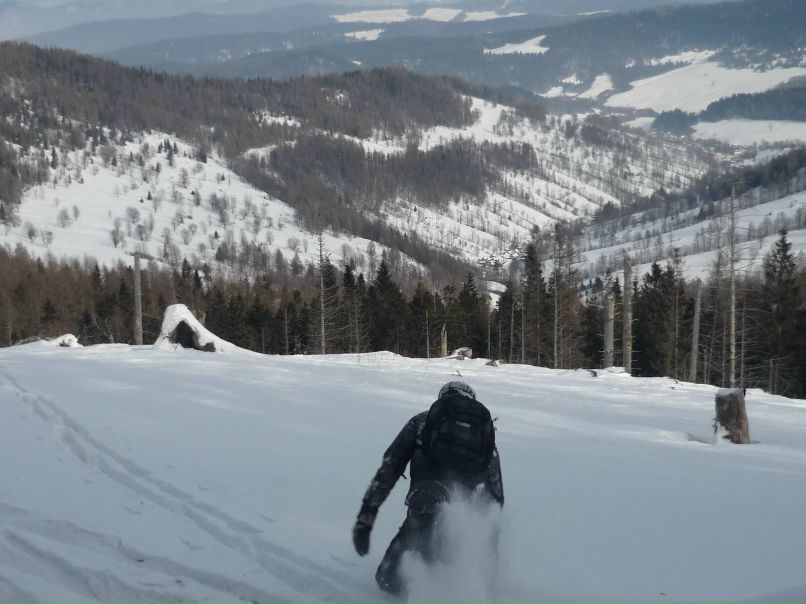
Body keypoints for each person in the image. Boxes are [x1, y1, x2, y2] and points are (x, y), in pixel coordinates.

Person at [352, 381, 504, 594]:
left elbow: (390, 467)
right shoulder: (484, 437)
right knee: (450, 572)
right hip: (462, 514)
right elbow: (495, 498)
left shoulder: (422, 422)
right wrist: (489, 565)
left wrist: (366, 517)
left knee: (388, 582)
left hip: (425, 499)